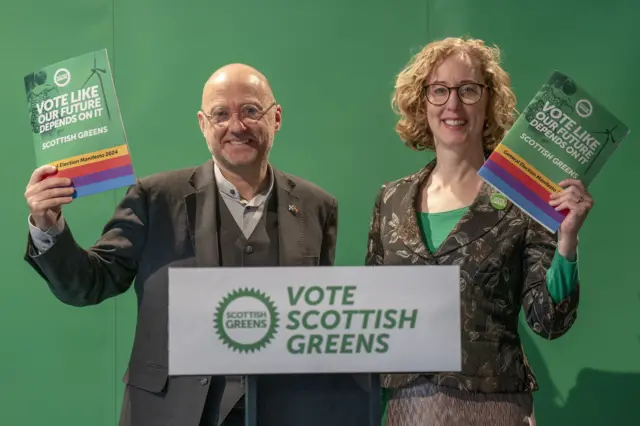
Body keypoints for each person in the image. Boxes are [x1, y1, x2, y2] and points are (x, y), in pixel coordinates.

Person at [24, 63, 372, 426]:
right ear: (203, 124)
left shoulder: (318, 206)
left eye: (251, 111)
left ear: (277, 118)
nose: (236, 126)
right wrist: (48, 225)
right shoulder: (154, 197)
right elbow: (88, 283)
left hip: (282, 410)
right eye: (221, 114)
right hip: (171, 411)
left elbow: (314, 321)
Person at [365, 37, 592, 425]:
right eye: (440, 90)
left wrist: (567, 241)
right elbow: (371, 314)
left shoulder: (523, 198)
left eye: (468, 90)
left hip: (495, 405)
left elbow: (549, 321)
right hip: (407, 407)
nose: (453, 104)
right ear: (422, 102)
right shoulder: (391, 199)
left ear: (489, 102)